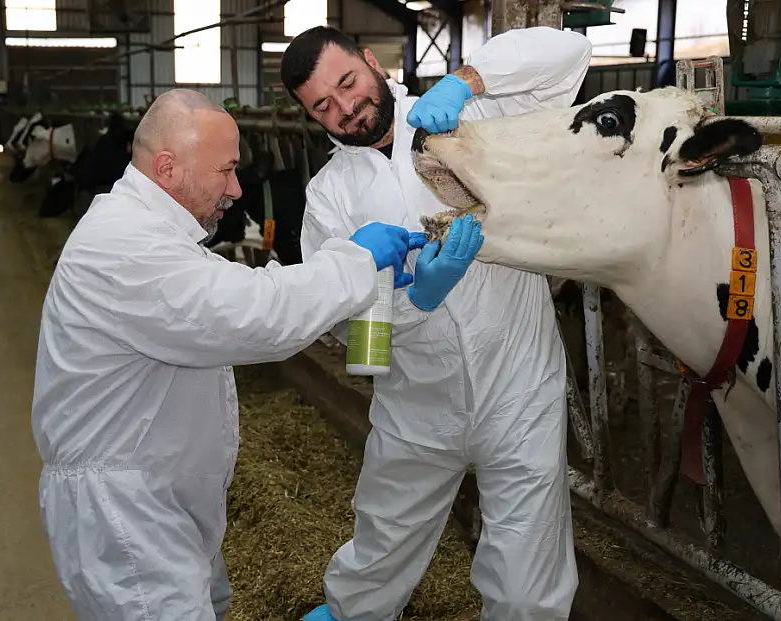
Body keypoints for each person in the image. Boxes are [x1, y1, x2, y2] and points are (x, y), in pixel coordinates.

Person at [30, 88, 433, 621]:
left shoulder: (151, 234)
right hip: (127, 514)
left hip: (159, 494)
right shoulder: (126, 248)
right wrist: (356, 262)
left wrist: (349, 273)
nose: (237, 188)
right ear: (168, 169)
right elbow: (257, 314)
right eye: (225, 171)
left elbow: (238, 293)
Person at [280, 25, 593, 621]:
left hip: (517, 387)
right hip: (415, 400)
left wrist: (463, 80)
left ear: (372, 61)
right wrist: (416, 301)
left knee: (528, 584)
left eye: (348, 82)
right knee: (379, 552)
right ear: (308, 115)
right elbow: (346, 332)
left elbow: (570, 54)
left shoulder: (471, 116)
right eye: (323, 105)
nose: (346, 108)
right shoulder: (330, 198)